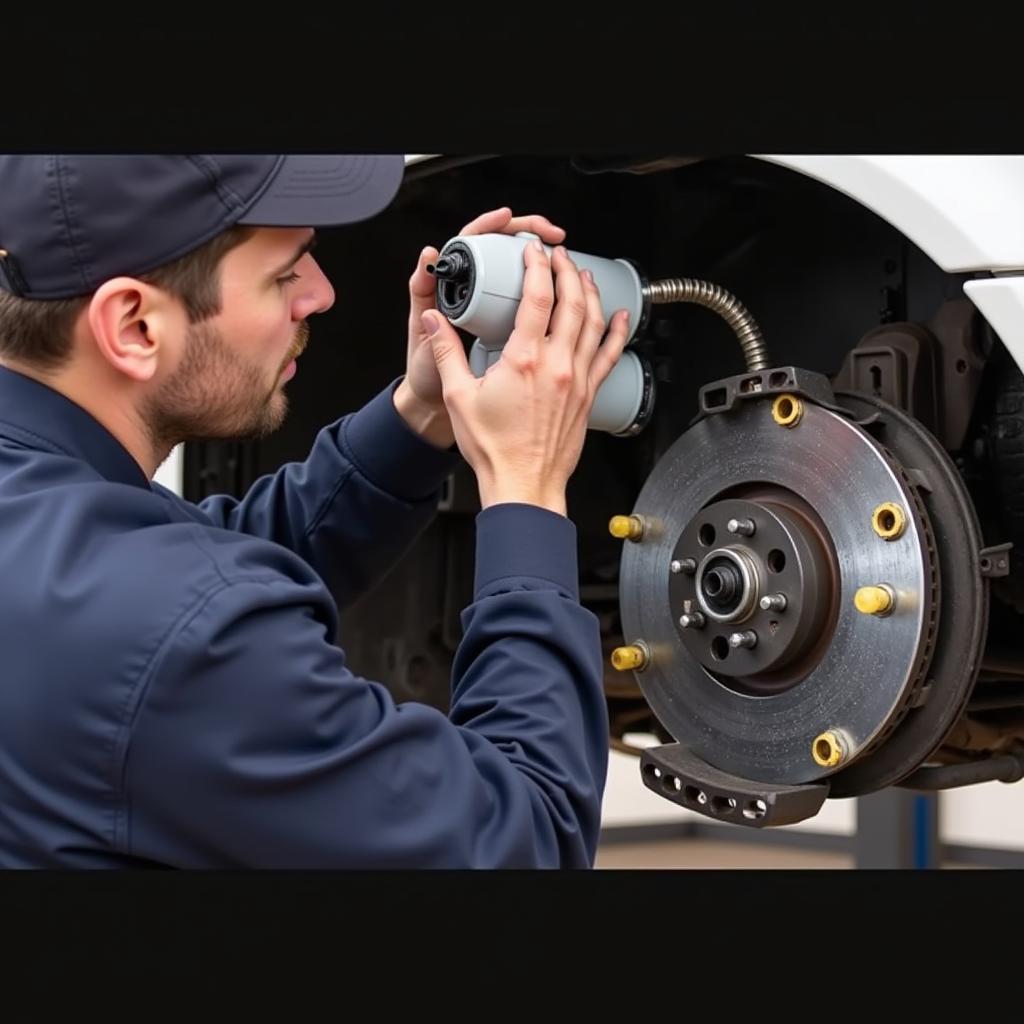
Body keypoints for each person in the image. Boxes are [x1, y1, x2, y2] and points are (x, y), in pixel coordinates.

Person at [0, 155, 631, 868]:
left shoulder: (53, 518)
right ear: (136, 326)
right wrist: (527, 485)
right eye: (284, 273)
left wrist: (421, 411)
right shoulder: (175, 637)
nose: (322, 294)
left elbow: (199, 572)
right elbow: (528, 842)